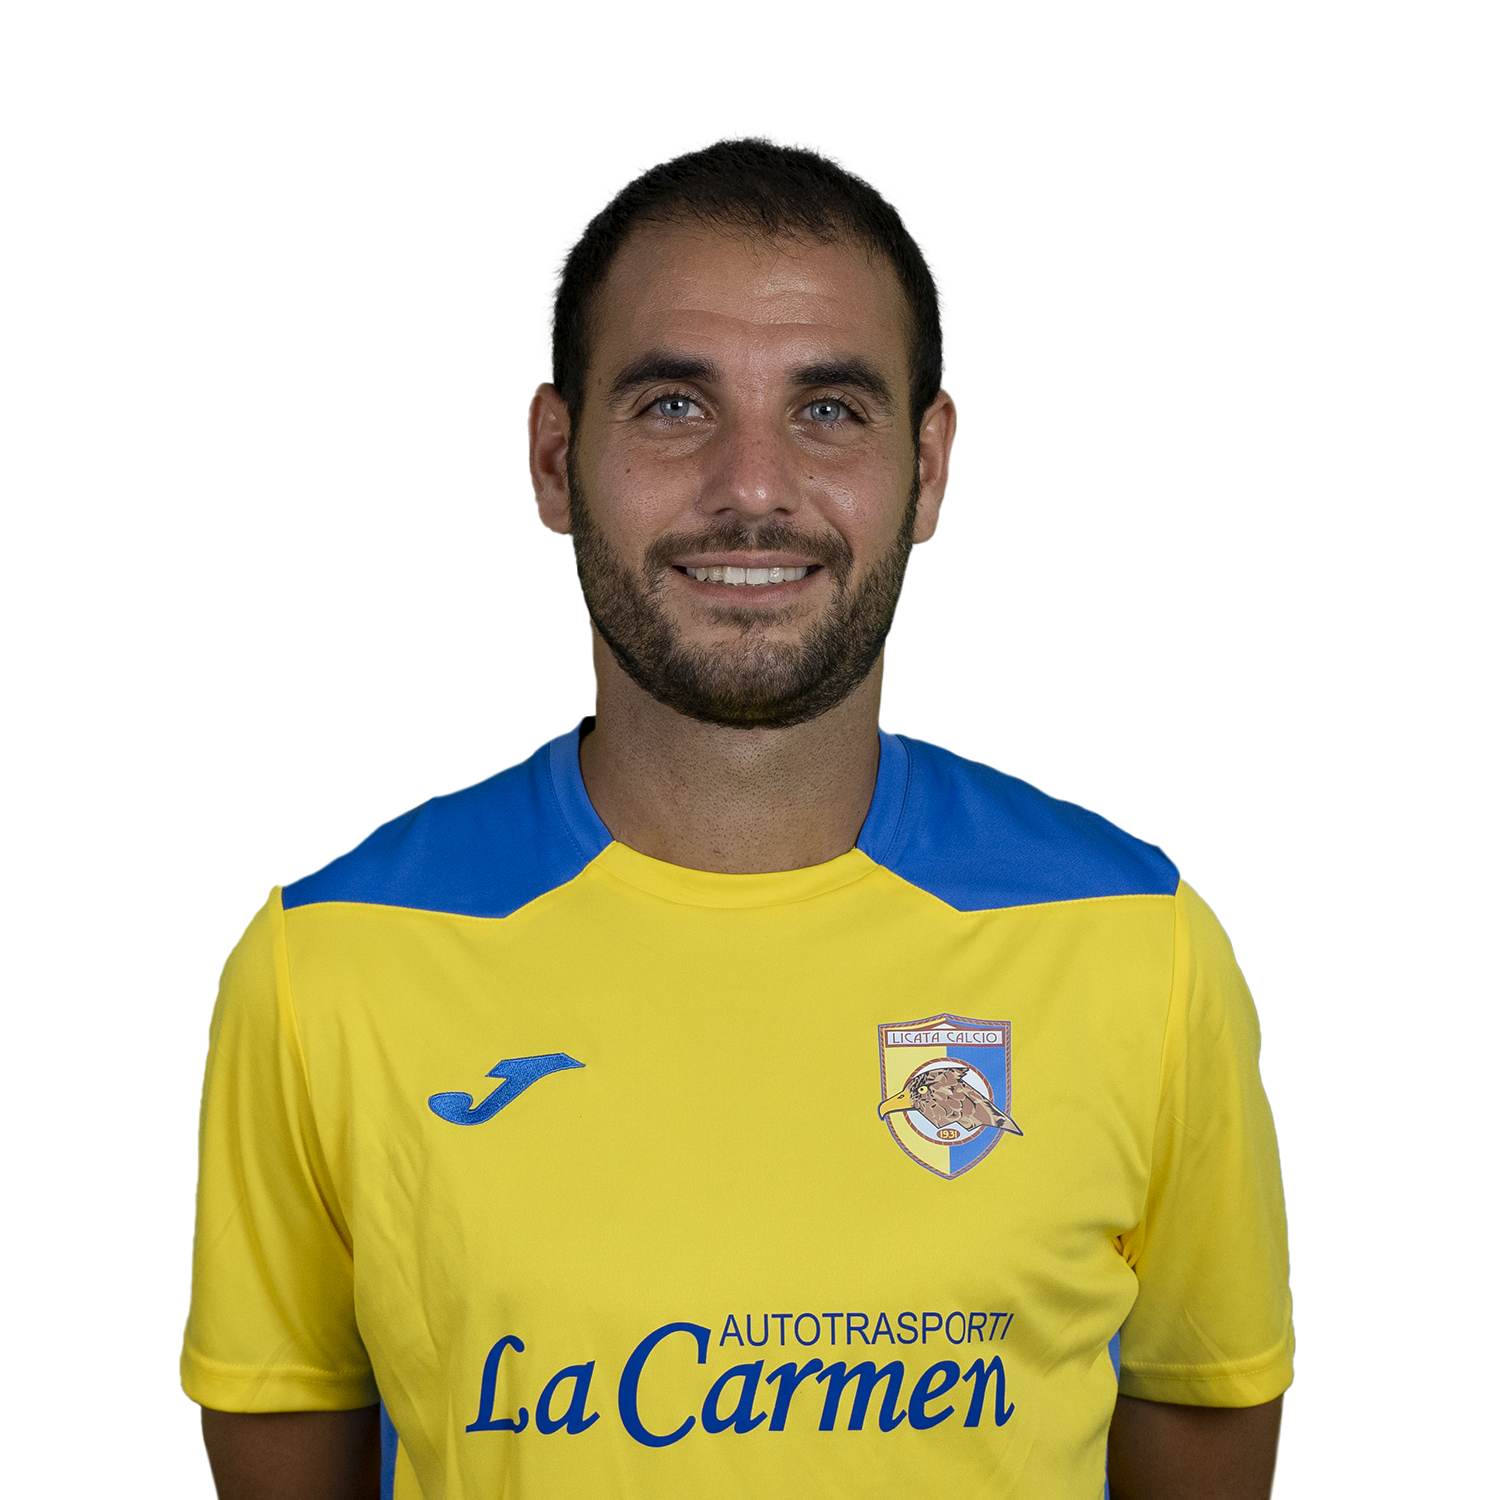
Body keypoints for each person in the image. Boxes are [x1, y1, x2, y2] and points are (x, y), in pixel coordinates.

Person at [182, 135, 1293, 1500]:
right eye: (672, 405)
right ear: (556, 459)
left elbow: (1203, 1419)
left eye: (828, 409)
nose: (754, 484)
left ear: (928, 465)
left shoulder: (1141, 945)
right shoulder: (325, 962)